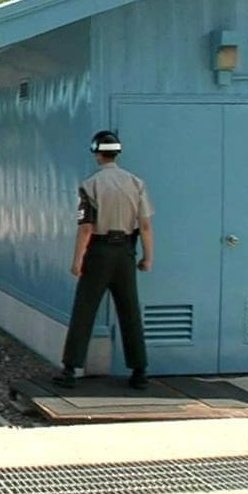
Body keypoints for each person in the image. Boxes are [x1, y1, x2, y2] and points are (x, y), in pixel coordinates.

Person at [54, 131, 155, 390]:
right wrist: (147, 257)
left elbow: (86, 227)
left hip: (99, 252)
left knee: (85, 309)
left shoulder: (90, 185)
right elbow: (144, 225)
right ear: (117, 152)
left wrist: (77, 260)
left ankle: (70, 370)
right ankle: (140, 371)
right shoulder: (136, 183)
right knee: (130, 310)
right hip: (125, 253)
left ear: (97, 153)